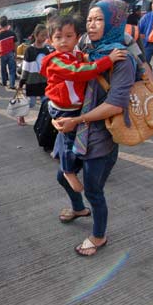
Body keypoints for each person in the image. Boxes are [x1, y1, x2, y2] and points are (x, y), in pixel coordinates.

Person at [52, 0, 135, 257]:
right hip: (76, 129)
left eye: (99, 19)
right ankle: (78, 208)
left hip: (101, 136)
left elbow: (115, 106)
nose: (92, 24)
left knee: (94, 190)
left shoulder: (122, 59)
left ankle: (99, 236)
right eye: (89, 19)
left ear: (114, 22)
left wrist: (76, 120)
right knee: (61, 176)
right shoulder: (88, 51)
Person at [41, 15, 127, 193]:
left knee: (72, 136)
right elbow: (78, 71)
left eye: (68, 36)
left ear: (77, 37)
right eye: (58, 37)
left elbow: (84, 58)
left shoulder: (76, 54)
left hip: (73, 106)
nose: (63, 41)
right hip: (63, 108)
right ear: (50, 40)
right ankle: (68, 170)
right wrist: (107, 60)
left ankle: (66, 162)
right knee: (67, 139)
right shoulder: (56, 60)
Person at [16, 24, 52, 126]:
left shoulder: (46, 50)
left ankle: (45, 124)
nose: (44, 38)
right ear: (36, 35)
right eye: (42, 35)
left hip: (44, 82)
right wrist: (22, 82)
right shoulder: (29, 50)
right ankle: (20, 115)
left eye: (46, 35)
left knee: (46, 102)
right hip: (32, 82)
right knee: (31, 103)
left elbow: (49, 66)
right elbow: (25, 68)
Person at [0, 16, 18, 89]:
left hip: (3, 54)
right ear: (7, 24)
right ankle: (12, 85)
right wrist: (16, 53)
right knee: (12, 69)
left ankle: (4, 82)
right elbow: (15, 44)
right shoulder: (12, 33)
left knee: (3, 69)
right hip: (11, 53)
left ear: (0, 25)